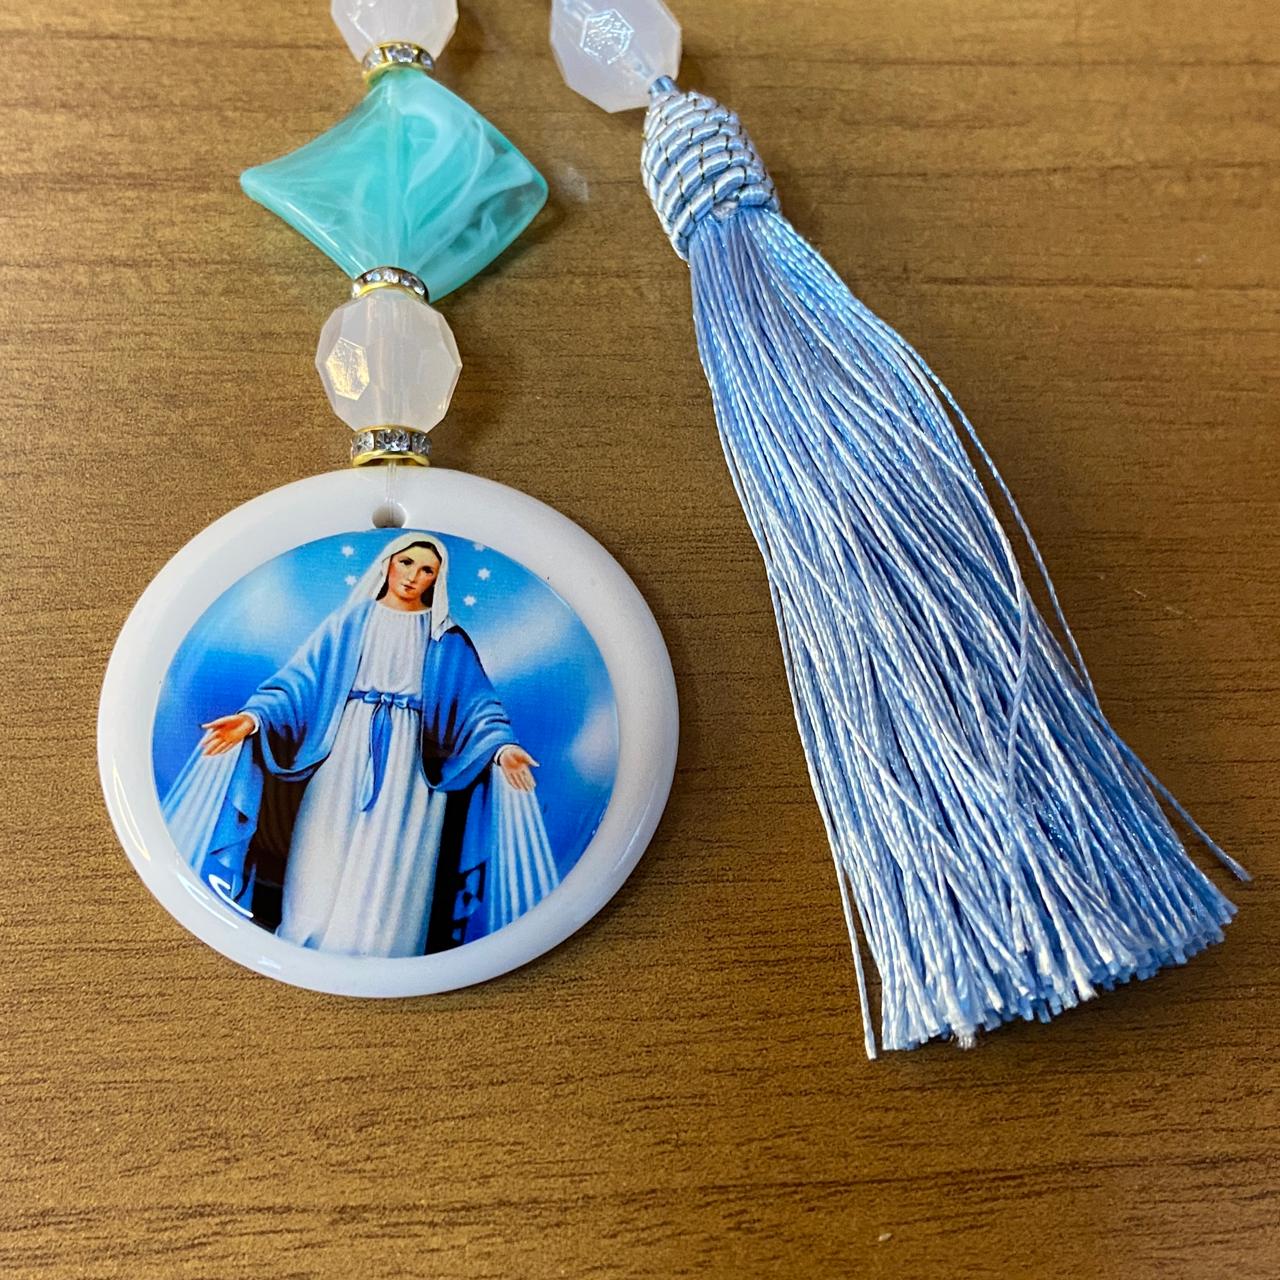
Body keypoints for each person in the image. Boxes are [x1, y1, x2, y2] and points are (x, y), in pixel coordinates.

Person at [160, 532, 558, 956]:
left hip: (411, 774)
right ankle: (307, 944)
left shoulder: (446, 638)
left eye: (427, 570)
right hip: (343, 754)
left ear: (437, 579)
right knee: (320, 853)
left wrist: (502, 748)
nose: (413, 576)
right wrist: (252, 718)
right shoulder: (348, 624)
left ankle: (384, 952)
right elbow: (298, 683)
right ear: (388, 563)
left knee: (392, 865)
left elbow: (478, 705)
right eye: (406, 563)